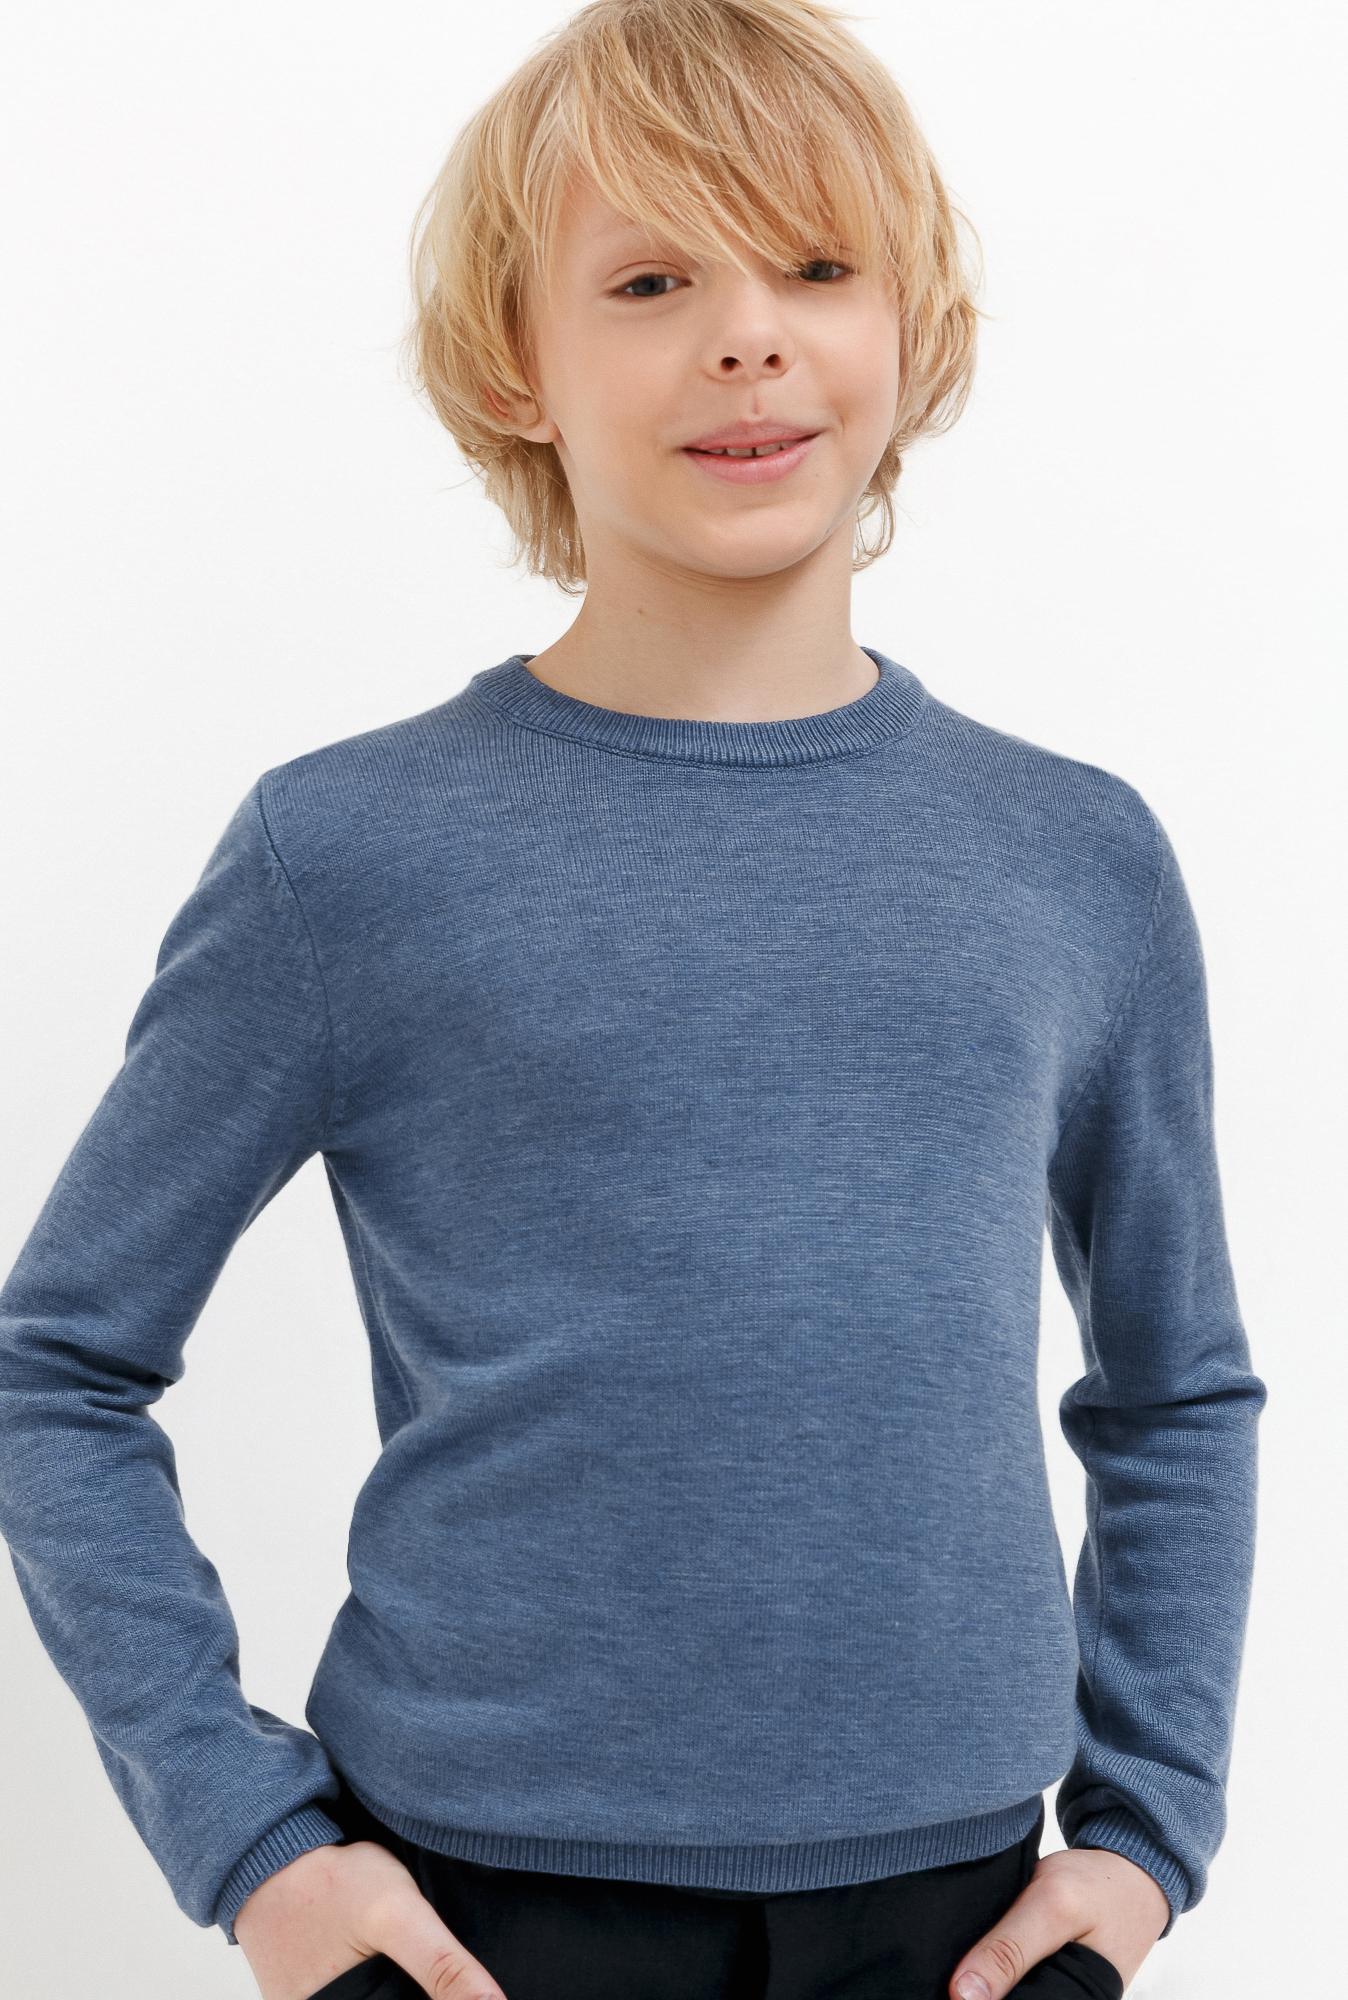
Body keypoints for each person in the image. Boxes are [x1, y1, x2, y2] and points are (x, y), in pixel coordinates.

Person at [0, 3, 1266, 1997]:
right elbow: (56, 1366)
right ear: (518, 357)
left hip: (964, 1920)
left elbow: (1173, 1386)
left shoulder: (1072, 856)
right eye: (652, 279)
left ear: (912, 325)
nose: (747, 337)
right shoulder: (346, 855)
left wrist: (1146, 1830)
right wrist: (250, 1846)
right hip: (471, 1920)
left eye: (816, 265)